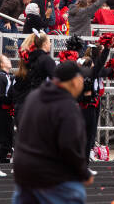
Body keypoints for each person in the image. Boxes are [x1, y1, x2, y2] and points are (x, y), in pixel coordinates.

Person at [13, 61, 93, 204]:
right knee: (75, 191)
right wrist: (84, 173)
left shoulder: (34, 97)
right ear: (75, 81)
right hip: (53, 178)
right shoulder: (67, 107)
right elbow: (69, 146)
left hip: (24, 174)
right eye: (81, 78)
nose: (83, 82)